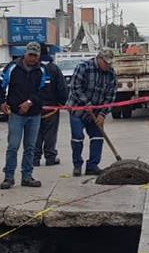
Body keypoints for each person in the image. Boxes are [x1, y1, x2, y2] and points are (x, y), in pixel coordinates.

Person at [0, 41, 46, 189]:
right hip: (16, 115)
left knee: (30, 147)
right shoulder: (12, 68)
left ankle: (27, 176)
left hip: (34, 115)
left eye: (35, 56)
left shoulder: (42, 70)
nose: (32, 58)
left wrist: (29, 102)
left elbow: (43, 91)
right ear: (25, 53)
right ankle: (9, 177)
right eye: (30, 55)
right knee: (13, 146)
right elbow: (0, 85)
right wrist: (1, 102)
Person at [66, 48, 117, 177]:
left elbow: (110, 96)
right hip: (78, 110)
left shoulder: (111, 74)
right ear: (99, 59)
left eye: (110, 63)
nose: (108, 65)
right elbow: (75, 87)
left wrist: (103, 114)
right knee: (77, 137)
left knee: (97, 137)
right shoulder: (83, 67)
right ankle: (77, 165)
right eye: (106, 62)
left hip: (96, 112)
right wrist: (86, 103)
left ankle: (92, 166)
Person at [33, 53, 68, 167]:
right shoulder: (54, 68)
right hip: (51, 108)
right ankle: (50, 157)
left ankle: (35, 158)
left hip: (34, 107)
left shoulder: (33, 68)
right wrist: (62, 102)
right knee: (50, 134)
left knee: (36, 133)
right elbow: (62, 87)